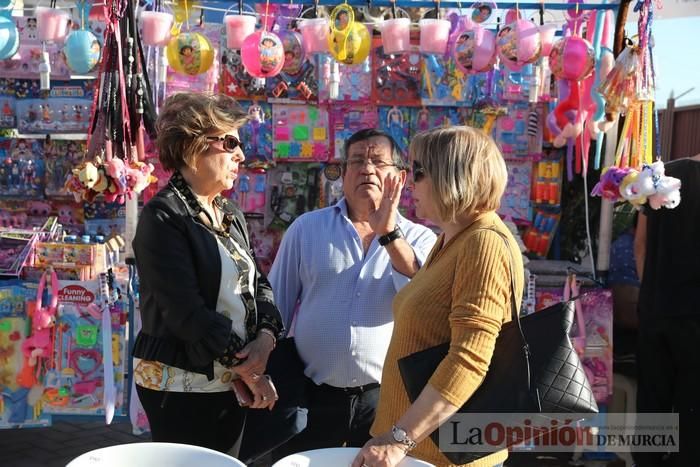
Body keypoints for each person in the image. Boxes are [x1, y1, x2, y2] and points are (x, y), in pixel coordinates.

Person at [260, 128, 437, 459]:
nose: (366, 169)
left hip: (384, 400)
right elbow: (275, 305)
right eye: (356, 160)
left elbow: (421, 300)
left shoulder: (421, 239)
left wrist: (388, 234)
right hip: (309, 395)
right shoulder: (307, 228)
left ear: (399, 177)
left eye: (377, 161)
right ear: (342, 174)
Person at [353, 126, 524, 467]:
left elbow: (469, 359)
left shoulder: (483, 243)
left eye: (418, 172)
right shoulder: (453, 239)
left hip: (442, 456)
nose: (408, 183)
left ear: (451, 176)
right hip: (420, 450)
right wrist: (388, 234)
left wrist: (400, 438)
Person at [131, 92, 284, 456]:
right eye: (229, 142)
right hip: (182, 385)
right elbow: (186, 313)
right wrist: (250, 370)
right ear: (191, 146)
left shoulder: (228, 211)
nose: (240, 155)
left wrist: (265, 339)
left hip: (228, 380)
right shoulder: (163, 217)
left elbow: (258, 285)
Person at [633, 154, 700, 467]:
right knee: (692, 412)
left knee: (652, 403)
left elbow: (640, 245)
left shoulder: (662, 173)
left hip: (656, 309)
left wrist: (652, 292)